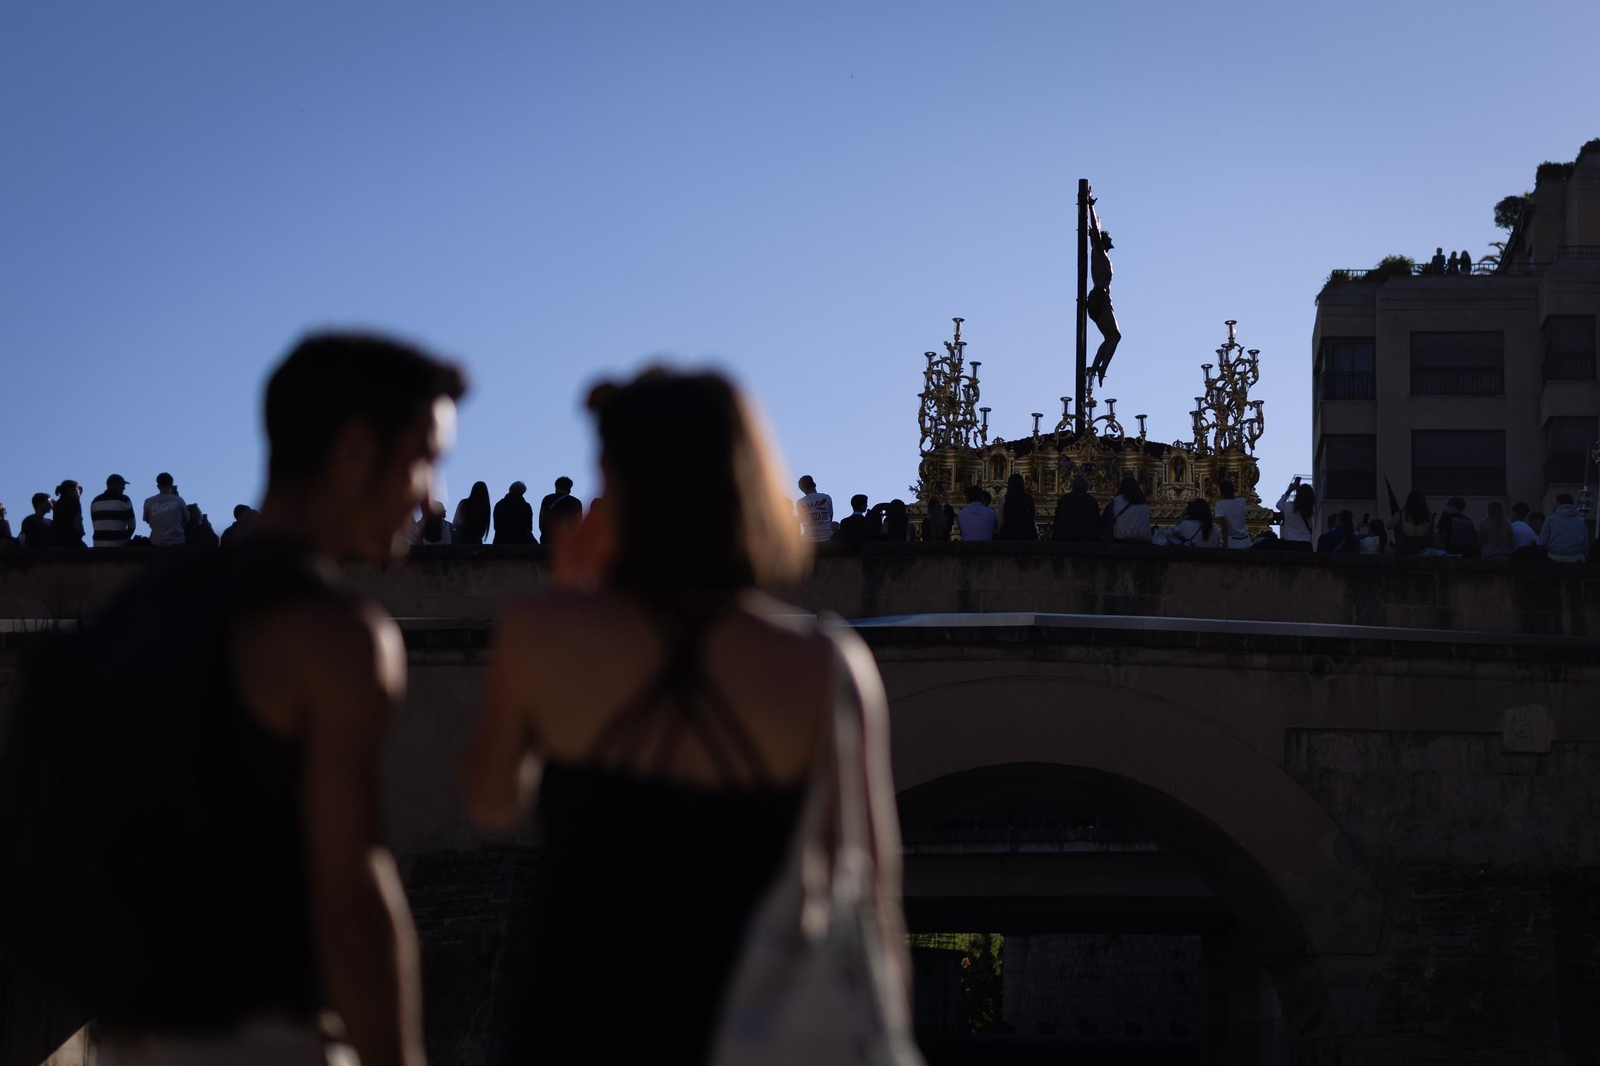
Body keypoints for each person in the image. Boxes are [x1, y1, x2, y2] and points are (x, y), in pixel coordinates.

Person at [0, 332, 464, 1066]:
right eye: (426, 459)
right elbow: (353, 899)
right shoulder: (336, 634)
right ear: (355, 449)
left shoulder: (137, 617)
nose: (432, 495)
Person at [459, 369, 912, 1063]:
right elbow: (868, 882)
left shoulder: (540, 632)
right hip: (752, 1030)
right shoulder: (826, 663)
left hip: (577, 1025)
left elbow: (491, 801)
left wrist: (569, 595)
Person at [1539, 494, 1589, 562]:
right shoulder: (1580, 521)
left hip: (1553, 557)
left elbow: (1543, 541)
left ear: (1558, 503)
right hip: (1576, 558)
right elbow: (1585, 545)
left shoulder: (1551, 519)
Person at [143, 472, 188, 547]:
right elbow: (187, 519)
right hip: (178, 541)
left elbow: (148, 520)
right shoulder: (179, 500)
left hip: (156, 542)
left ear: (158, 486)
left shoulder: (148, 501)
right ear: (171, 485)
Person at [91, 475, 137, 549]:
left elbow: (95, 524)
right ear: (117, 485)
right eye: (123, 485)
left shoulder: (95, 501)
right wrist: (125, 539)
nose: (124, 488)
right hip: (119, 545)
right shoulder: (124, 500)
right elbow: (132, 526)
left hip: (98, 545)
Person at [1052, 475, 1102, 542]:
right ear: (1086, 487)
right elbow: (1096, 521)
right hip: (1086, 537)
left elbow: (1058, 519)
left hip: (1066, 536)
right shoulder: (1092, 500)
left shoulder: (1064, 499)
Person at [1107, 476, 1152, 544]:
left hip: (1122, 538)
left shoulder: (1117, 500)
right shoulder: (1142, 500)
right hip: (1143, 539)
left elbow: (1108, 518)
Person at [1272, 479, 1315, 551]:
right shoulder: (1309, 510)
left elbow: (1278, 504)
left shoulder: (1288, 506)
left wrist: (1289, 490)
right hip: (1306, 544)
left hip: (1290, 543)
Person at [1389, 489, 1434, 556]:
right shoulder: (1428, 516)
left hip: (1405, 549)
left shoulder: (1402, 514)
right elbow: (1431, 533)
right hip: (1422, 550)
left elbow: (1389, 526)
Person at [995, 473, 1037, 540]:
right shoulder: (1029, 498)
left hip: (1009, 535)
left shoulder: (1005, 499)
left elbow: (1001, 521)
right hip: (1027, 535)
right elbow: (1032, 517)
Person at [1213, 477, 1252, 549]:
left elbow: (1224, 524)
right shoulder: (1242, 501)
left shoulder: (1220, 504)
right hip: (1246, 541)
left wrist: (1225, 545)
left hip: (1232, 543)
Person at [451, 481, 492, 545]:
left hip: (461, 537)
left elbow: (455, 523)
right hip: (476, 539)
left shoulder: (464, 503)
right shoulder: (485, 508)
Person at [796, 475, 834, 542]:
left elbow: (801, 520)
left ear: (802, 490)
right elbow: (830, 518)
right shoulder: (826, 497)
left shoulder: (800, 502)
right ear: (814, 484)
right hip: (827, 537)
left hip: (808, 540)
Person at [50, 480, 86, 548]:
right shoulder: (73, 503)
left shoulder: (60, 503)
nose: (79, 490)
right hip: (71, 538)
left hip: (59, 539)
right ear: (71, 490)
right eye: (77, 488)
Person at [539, 476, 575, 543]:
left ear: (556, 486)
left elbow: (542, 520)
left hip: (548, 538)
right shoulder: (576, 502)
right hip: (567, 540)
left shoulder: (547, 499)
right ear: (570, 488)